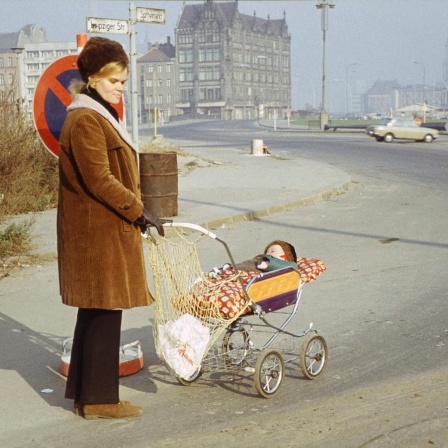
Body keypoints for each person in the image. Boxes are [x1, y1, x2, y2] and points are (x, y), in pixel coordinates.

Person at [57, 37, 169, 420]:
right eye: (114, 81)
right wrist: (139, 210)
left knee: (95, 313)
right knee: (104, 314)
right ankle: (101, 400)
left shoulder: (96, 113)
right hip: (97, 233)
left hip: (98, 230)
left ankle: (85, 395)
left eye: (123, 81)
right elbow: (100, 179)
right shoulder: (86, 118)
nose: (121, 88)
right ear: (92, 78)